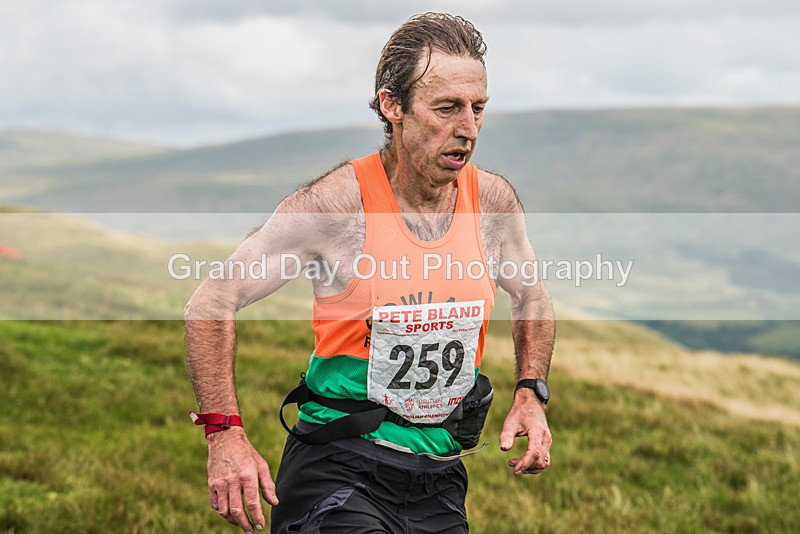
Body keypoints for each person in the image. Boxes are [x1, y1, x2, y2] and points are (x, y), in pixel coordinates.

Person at [185, 12, 555, 533]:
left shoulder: (492, 202)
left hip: (439, 476)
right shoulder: (336, 206)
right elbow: (210, 302)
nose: (468, 129)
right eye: (447, 108)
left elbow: (531, 296)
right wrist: (224, 433)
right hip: (336, 467)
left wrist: (530, 393)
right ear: (392, 106)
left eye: (478, 108)